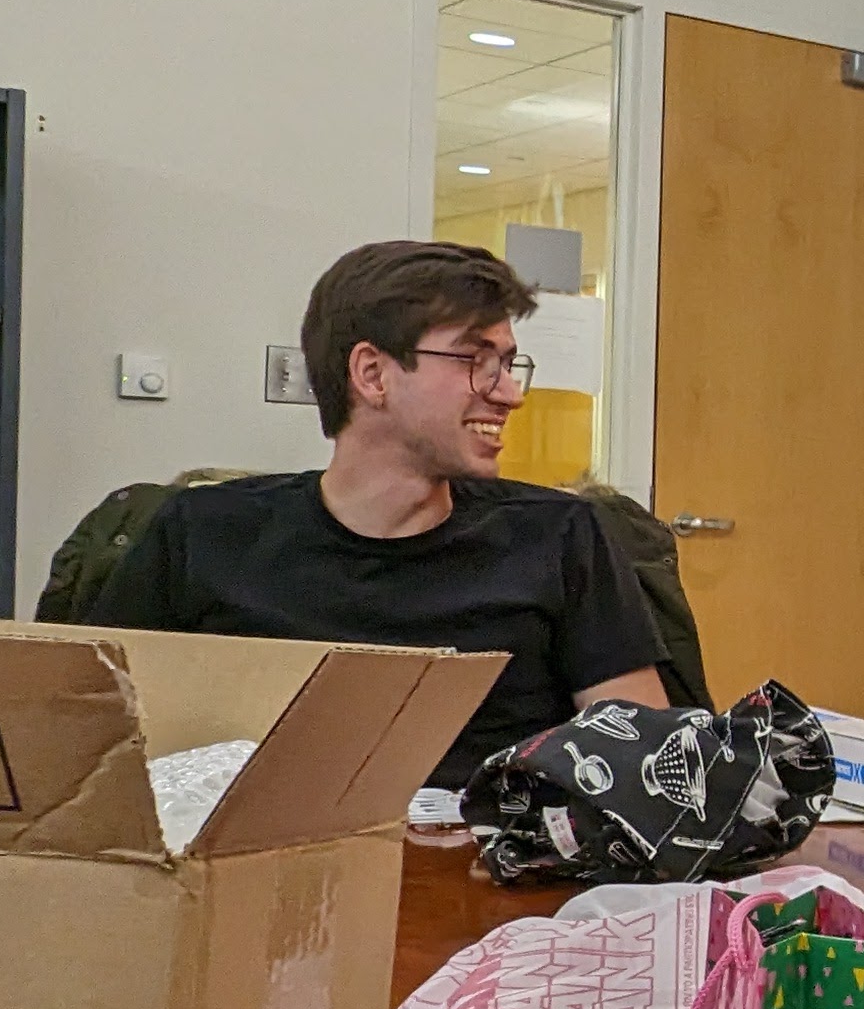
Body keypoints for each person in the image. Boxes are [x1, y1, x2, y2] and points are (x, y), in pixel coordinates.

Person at [88, 240, 671, 789]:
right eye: (474, 360)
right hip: (262, 874)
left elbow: (644, 769)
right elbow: (90, 745)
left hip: (495, 878)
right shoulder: (202, 533)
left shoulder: (560, 536)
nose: (509, 394)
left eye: (509, 364)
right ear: (372, 374)